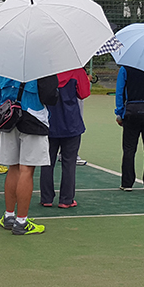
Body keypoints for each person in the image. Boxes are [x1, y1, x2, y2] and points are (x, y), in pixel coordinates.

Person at [0, 73, 59, 236]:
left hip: (8, 118)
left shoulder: (4, 64)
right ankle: (21, 221)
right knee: (26, 170)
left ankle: (9, 216)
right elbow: (51, 96)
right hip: (34, 119)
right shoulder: (42, 64)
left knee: (13, 168)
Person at [41, 67, 90, 208]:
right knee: (69, 163)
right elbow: (84, 93)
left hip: (49, 122)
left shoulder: (45, 69)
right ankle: (66, 199)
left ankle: (46, 198)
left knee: (46, 162)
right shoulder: (76, 70)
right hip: (71, 123)